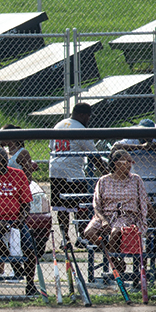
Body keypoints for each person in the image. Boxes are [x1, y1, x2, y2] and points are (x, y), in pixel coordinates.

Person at [82, 149, 156, 274]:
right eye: (126, 161)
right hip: (105, 215)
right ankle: (115, 258)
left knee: (115, 232)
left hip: (126, 216)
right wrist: (103, 220)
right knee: (88, 232)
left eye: (131, 161)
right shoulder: (103, 181)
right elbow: (96, 205)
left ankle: (116, 267)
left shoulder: (135, 180)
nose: (130, 164)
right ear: (115, 163)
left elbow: (146, 202)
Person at [0, 146, 40, 296]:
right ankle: (12, 259)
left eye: (3, 162)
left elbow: (26, 204)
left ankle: (30, 285)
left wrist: (20, 220)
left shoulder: (18, 175)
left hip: (15, 220)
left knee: (29, 247)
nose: (0, 165)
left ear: (7, 161)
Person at [50, 103, 96, 246]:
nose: (88, 120)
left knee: (62, 207)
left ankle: (65, 239)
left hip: (55, 170)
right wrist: (108, 171)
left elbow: (51, 147)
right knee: (79, 205)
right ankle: (81, 236)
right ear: (82, 115)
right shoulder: (80, 128)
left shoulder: (59, 125)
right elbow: (94, 155)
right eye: (87, 117)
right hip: (72, 172)